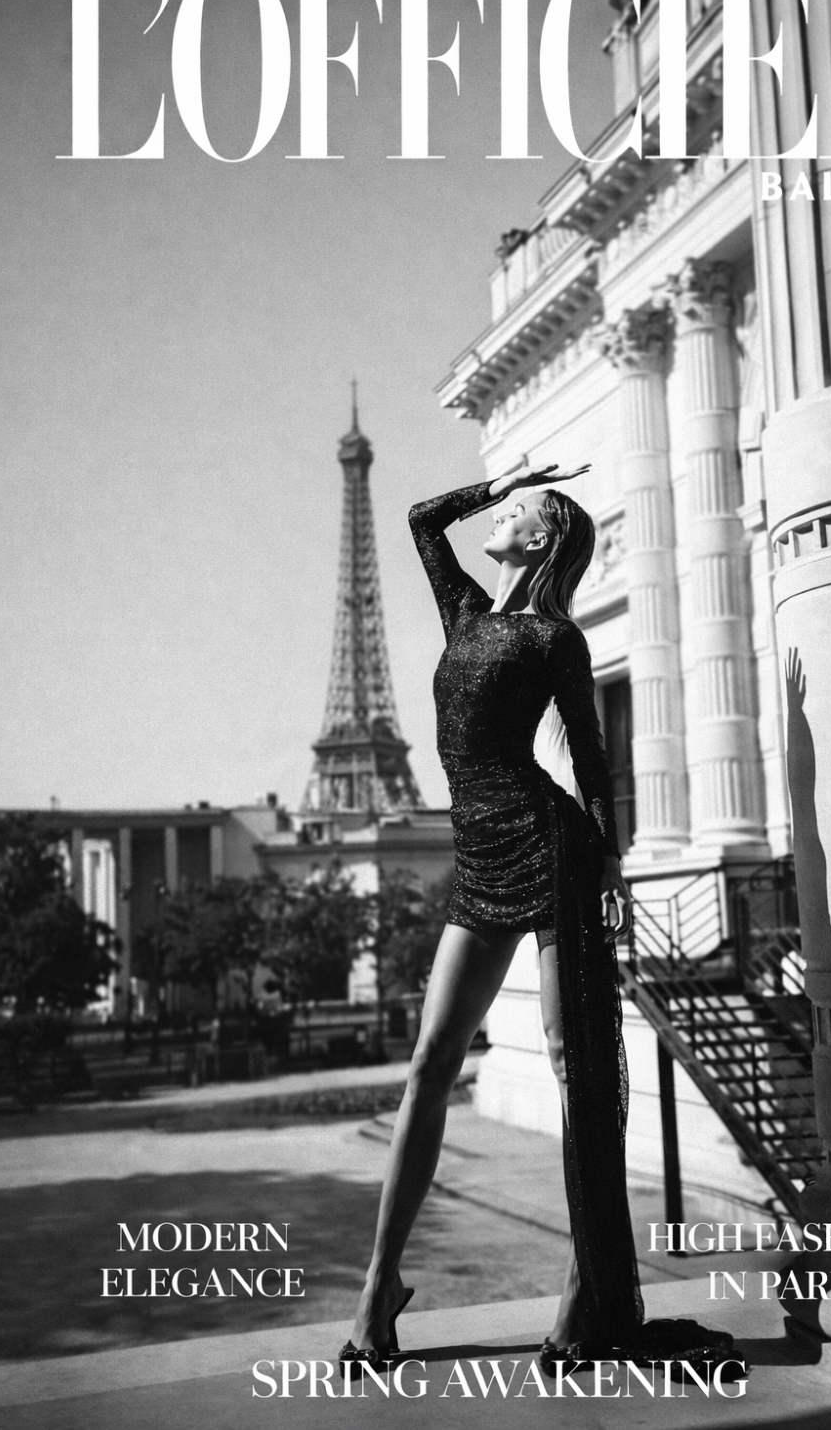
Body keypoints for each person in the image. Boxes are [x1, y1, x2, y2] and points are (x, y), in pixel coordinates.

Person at [341, 458, 731, 1373]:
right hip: (480, 860)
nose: (502, 512)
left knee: (574, 1067)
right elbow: (422, 519)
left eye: (517, 508)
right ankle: (379, 1286)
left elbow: (589, 755)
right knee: (431, 1063)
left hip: (553, 850)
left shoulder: (555, 638)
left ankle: (584, 1294)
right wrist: (500, 482)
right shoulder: (467, 614)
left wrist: (612, 864)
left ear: (542, 537)